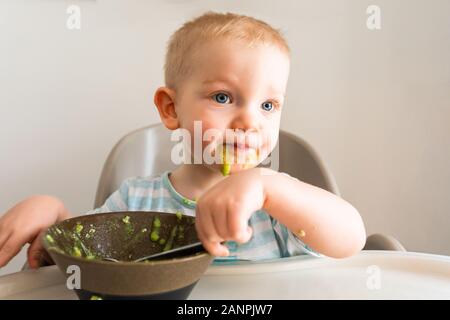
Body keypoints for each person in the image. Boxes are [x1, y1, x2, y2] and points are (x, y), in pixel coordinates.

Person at [0, 12, 366, 269]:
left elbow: (351, 239)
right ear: (171, 107)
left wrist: (268, 185)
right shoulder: (136, 201)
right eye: (223, 98)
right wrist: (52, 216)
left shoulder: (279, 206)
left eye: (268, 105)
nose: (250, 120)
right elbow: (82, 253)